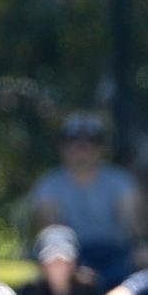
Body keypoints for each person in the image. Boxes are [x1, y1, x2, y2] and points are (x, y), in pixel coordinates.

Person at [29, 111, 146, 291]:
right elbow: (49, 229)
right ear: (63, 147)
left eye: (90, 142)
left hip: (115, 252)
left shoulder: (120, 180)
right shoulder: (48, 184)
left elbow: (133, 226)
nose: (81, 148)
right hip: (73, 254)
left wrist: (140, 247)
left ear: (101, 148)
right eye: (73, 142)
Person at [18, 225, 99, 295]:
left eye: (63, 262)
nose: (58, 268)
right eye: (52, 263)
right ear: (42, 266)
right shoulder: (30, 291)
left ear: (73, 264)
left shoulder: (88, 288)